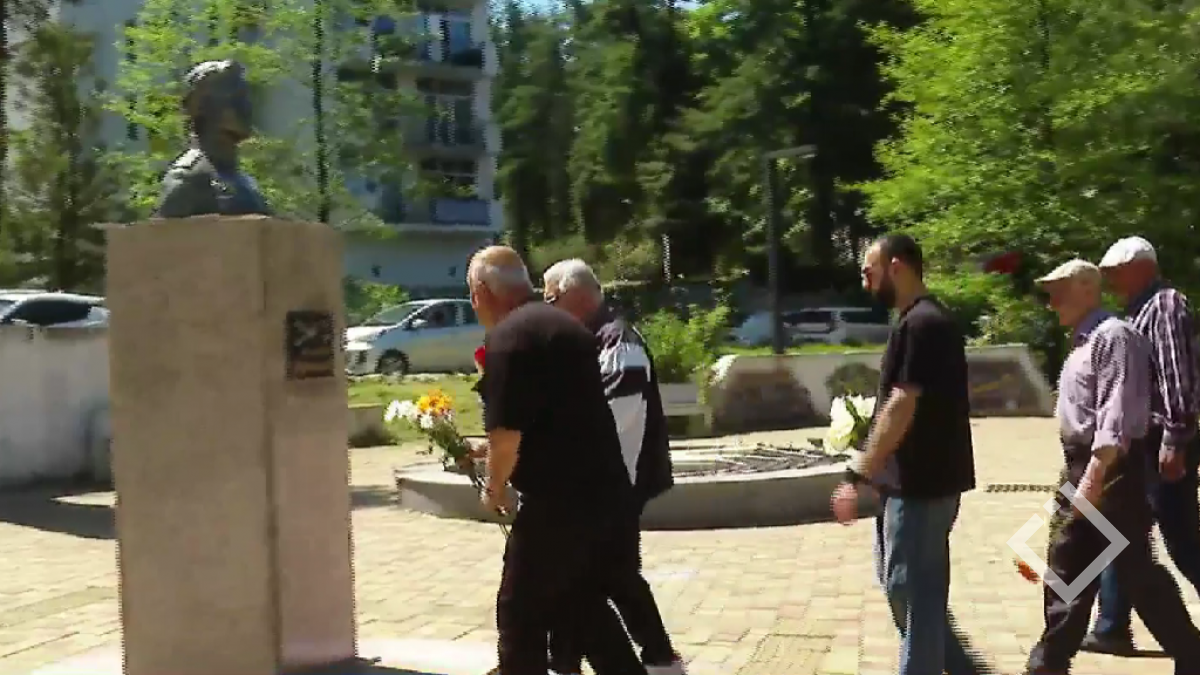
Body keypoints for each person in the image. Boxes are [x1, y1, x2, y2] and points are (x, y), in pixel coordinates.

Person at [1022, 258, 1200, 675]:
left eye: (1058, 292)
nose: (1051, 303)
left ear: (1087, 289)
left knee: (1121, 572)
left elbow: (1116, 417)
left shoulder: (1115, 336)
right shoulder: (1083, 340)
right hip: (1085, 466)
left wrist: (1093, 479)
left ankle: (1050, 663)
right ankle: (1050, 662)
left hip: (1110, 470)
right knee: (1076, 567)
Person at [468, 246, 638, 675]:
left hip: (557, 504)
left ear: (482, 292)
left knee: (519, 613)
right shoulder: (566, 327)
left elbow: (507, 437)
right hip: (605, 494)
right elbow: (555, 416)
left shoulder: (508, 338)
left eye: (472, 295)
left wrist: (494, 487)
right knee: (581, 605)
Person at [830, 234, 991, 675]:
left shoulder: (924, 324)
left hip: (925, 483)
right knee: (904, 586)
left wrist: (859, 471)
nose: (865, 282)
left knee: (914, 592)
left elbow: (902, 404)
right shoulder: (914, 322)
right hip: (908, 483)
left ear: (896, 266)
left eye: (869, 271)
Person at [540, 258, 685, 675]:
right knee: (602, 576)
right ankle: (574, 660)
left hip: (612, 486)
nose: (547, 309)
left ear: (573, 295)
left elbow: (616, 419)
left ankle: (655, 658)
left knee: (603, 576)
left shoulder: (618, 342)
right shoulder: (589, 341)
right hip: (602, 486)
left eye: (550, 299)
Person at [1079, 236, 1200, 656]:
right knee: (1122, 531)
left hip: (1162, 445)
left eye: (1115, 273)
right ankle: (1111, 626)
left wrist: (1176, 440)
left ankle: (1115, 626)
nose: (1110, 281)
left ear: (1141, 267)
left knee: (1182, 541)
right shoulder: (1140, 308)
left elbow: (1177, 378)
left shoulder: (1164, 306)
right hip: (1142, 446)